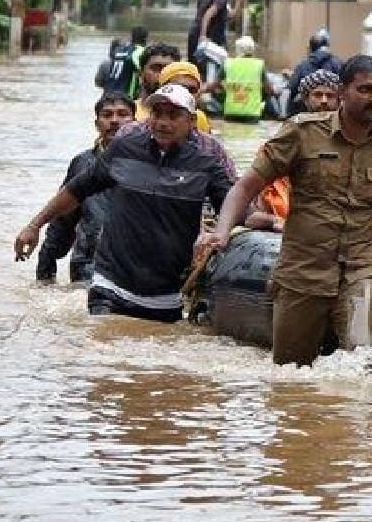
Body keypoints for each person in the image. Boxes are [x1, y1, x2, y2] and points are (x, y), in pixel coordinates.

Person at [198, 55, 372, 366]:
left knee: (366, 363)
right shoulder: (301, 133)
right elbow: (246, 186)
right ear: (342, 93)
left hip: (360, 268)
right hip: (302, 272)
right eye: (366, 90)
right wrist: (222, 232)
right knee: (292, 374)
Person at [14, 84, 233, 322]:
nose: (162, 122)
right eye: (157, 114)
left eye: (173, 115)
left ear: (191, 121)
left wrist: (267, 222)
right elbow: (76, 191)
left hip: (166, 295)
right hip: (110, 285)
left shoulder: (207, 164)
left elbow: (234, 207)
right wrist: (34, 226)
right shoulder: (124, 149)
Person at [35, 92, 135, 284]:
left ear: (135, 122)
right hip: (88, 268)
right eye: (107, 115)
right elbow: (63, 220)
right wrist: (45, 272)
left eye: (123, 114)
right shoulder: (82, 164)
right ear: (97, 124)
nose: (115, 121)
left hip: (132, 269)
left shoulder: (149, 163)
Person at [245, 69, 343, 233]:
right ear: (306, 99)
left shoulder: (348, 139)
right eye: (318, 95)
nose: (324, 101)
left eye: (330, 95)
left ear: (339, 100)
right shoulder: (291, 132)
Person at [133, 54, 214, 135]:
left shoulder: (200, 119)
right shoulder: (135, 122)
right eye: (179, 88)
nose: (186, 94)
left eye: (192, 90)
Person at [285, 30, 342, 117]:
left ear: (310, 48)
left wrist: (289, 113)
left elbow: (292, 89)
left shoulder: (303, 65)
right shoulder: (338, 64)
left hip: (306, 115)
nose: (323, 101)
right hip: (333, 117)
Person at [187, 0, 239, 64]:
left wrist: (239, 1)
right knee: (218, 67)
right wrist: (203, 36)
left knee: (194, 69)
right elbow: (207, 16)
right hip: (210, 39)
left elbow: (229, 15)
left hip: (194, 34)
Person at [221, 35, 273, 121]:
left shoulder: (228, 63)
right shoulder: (259, 65)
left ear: (238, 49)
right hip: (252, 115)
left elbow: (213, 85)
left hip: (231, 113)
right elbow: (269, 89)